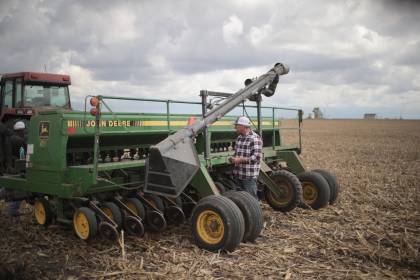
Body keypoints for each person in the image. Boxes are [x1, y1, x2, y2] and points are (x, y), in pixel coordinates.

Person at [229, 116, 262, 198]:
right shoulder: (239, 138)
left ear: (243, 126)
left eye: (237, 125)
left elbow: (256, 158)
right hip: (238, 174)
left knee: (251, 200)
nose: (235, 127)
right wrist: (233, 158)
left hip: (248, 176)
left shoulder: (255, 138)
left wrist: (239, 160)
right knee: (241, 200)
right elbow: (237, 153)